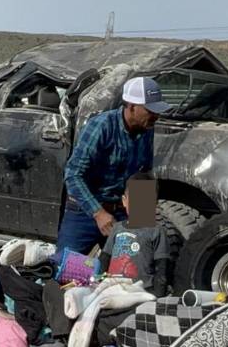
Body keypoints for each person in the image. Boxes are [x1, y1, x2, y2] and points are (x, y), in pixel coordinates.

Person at [58, 77, 170, 254]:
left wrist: (142, 218)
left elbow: (143, 173)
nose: (156, 116)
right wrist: (98, 213)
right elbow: (73, 174)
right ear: (132, 107)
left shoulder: (146, 128)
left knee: (132, 266)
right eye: (150, 110)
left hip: (120, 212)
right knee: (66, 270)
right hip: (86, 211)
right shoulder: (101, 126)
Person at [99, 174, 171, 296]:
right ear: (124, 201)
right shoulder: (117, 228)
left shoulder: (157, 231)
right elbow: (104, 259)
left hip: (142, 292)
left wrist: (157, 296)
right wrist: (98, 283)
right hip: (113, 289)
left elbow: (162, 268)